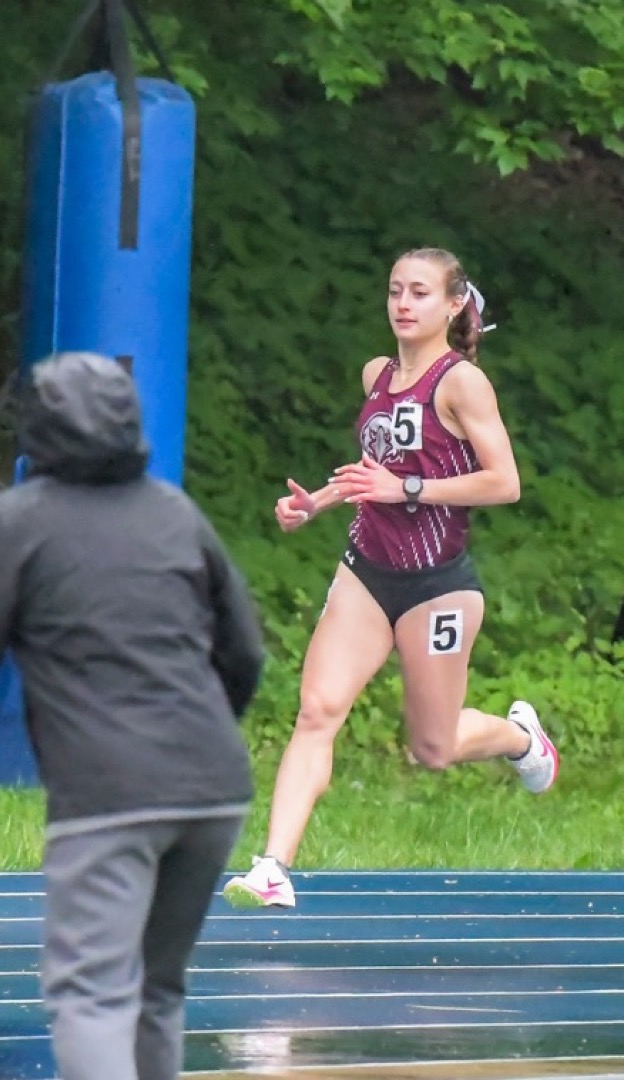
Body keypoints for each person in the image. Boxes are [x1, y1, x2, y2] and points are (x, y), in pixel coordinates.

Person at [0, 352, 265, 1080]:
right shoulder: (174, 512)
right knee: (157, 987)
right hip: (212, 784)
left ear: (39, 429)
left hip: (107, 788)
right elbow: (244, 652)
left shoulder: (22, 519)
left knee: (92, 993)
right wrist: (202, 729)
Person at [224, 249, 557, 910]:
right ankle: (271, 867)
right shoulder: (376, 373)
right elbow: (376, 466)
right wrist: (315, 502)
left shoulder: (461, 384)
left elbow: (504, 482)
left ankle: (521, 738)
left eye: (421, 293)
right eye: (396, 291)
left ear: (453, 304)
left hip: (437, 585)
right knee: (317, 710)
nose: (404, 304)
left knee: (432, 747)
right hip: (367, 572)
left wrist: (407, 487)